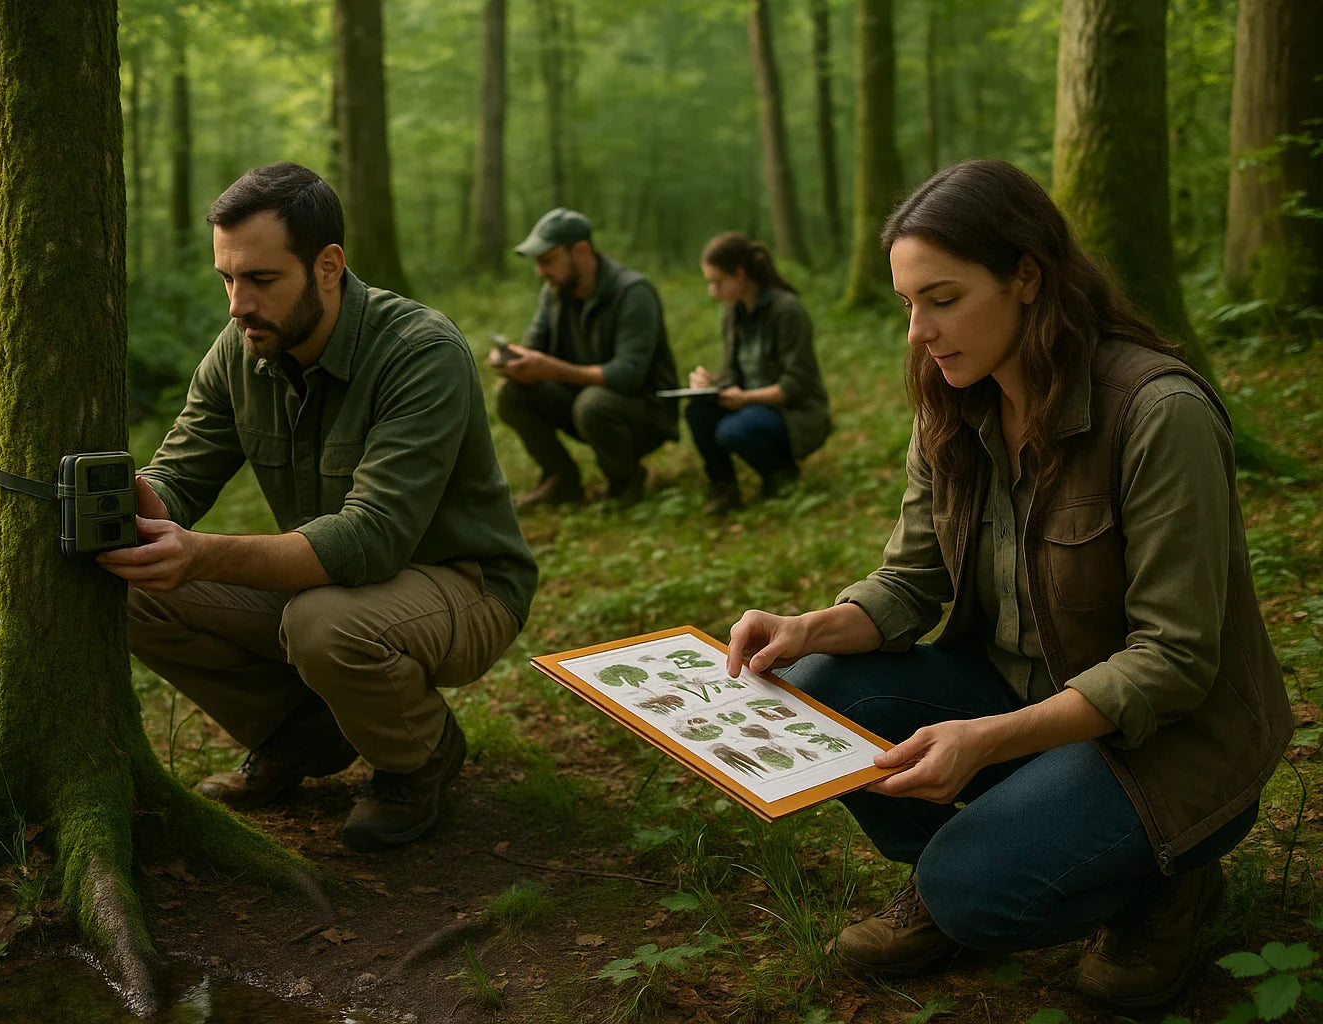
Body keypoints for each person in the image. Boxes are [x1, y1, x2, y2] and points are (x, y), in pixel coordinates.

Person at [724, 160, 1291, 1010]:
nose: (920, 331)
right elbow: (910, 582)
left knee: (971, 892)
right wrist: (809, 627)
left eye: (943, 299)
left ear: (1028, 277)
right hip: (1020, 695)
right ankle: (1004, 851)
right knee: (813, 689)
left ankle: (1166, 881)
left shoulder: (1156, 412)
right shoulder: (954, 399)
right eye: (908, 304)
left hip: (1166, 742)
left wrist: (986, 742)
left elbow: (1172, 662)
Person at [98, 163, 538, 853]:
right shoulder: (240, 349)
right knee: (125, 586)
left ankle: (419, 756)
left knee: (323, 624)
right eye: (227, 280)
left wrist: (204, 554)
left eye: (261, 280)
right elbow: (178, 481)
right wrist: (126, 500)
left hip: (466, 584)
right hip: (334, 581)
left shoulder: (419, 351)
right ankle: (302, 734)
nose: (237, 304)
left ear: (328, 266)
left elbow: (374, 539)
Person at [492, 208, 679, 508]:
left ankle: (626, 481)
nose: (540, 271)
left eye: (547, 261)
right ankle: (561, 480)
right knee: (511, 395)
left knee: (593, 404)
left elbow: (628, 375)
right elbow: (536, 347)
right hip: (582, 404)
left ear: (580, 251)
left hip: (643, 412)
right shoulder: (554, 292)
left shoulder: (633, 293)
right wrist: (514, 360)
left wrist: (553, 370)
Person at [687, 232, 831, 515]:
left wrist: (747, 398)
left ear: (740, 274)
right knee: (697, 412)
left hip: (792, 411)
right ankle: (724, 487)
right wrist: (710, 383)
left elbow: (797, 384)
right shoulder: (733, 314)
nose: (712, 291)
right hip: (750, 404)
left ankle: (781, 474)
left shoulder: (786, 309)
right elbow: (732, 374)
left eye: (717, 281)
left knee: (733, 430)